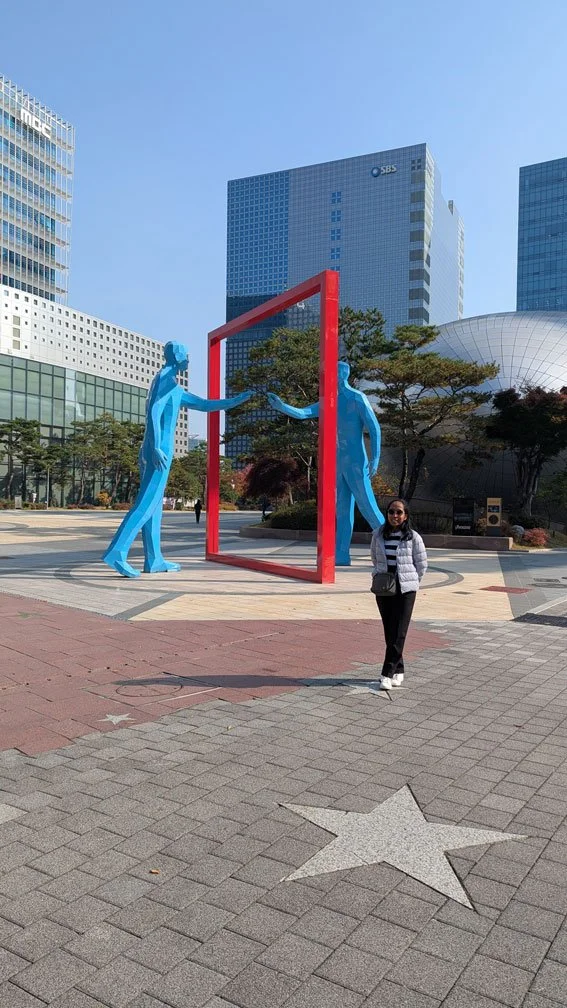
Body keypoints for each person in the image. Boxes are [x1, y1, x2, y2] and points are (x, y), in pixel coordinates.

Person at [102, 341, 252, 578]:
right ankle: (117, 553)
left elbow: (203, 405)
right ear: (178, 357)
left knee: (154, 509)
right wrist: (154, 448)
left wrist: (235, 401)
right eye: (187, 356)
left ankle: (154, 559)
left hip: (156, 450)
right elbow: (154, 412)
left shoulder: (173, 386)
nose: (189, 360)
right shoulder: (165, 379)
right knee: (146, 504)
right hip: (157, 451)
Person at [267, 360, 384, 565]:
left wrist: (375, 458)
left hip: (356, 461)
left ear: (344, 375)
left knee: (367, 506)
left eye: (333, 372)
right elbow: (303, 413)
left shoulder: (357, 398)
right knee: (342, 509)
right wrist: (281, 406)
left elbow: (374, 428)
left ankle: (395, 544)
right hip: (338, 462)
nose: (328, 377)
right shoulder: (329, 400)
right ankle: (341, 553)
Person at [370, 498, 427, 690]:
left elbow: (421, 565)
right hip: (384, 588)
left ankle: (386, 673)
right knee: (390, 631)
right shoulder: (378, 534)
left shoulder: (413, 537)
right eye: (391, 512)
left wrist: (411, 582)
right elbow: (375, 558)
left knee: (399, 632)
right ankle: (399, 669)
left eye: (399, 512)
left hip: (405, 590)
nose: (395, 515)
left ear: (406, 515)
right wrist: (378, 574)